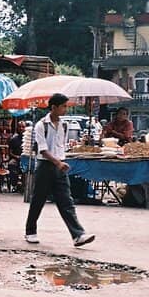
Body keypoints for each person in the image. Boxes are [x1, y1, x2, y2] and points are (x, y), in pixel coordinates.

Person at [24, 93, 95, 247]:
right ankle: (30, 231)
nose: (65, 110)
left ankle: (78, 234)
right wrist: (57, 163)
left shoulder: (64, 125)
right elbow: (43, 150)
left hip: (60, 165)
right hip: (45, 165)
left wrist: (62, 160)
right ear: (53, 107)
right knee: (38, 200)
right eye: (63, 106)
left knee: (66, 201)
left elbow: (60, 146)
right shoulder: (41, 125)